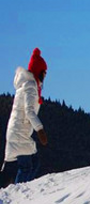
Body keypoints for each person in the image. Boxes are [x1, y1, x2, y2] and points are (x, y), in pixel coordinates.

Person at [3, 48, 49, 184]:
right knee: (26, 167)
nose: (45, 76)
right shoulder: (30, 86)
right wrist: (40, 129)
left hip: (19, 131)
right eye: (44, 72)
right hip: (19, 133)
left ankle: (27, 190)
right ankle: (19, 194)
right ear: (39, 71)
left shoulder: (28, 85)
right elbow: (29, 111)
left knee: (34, 163)